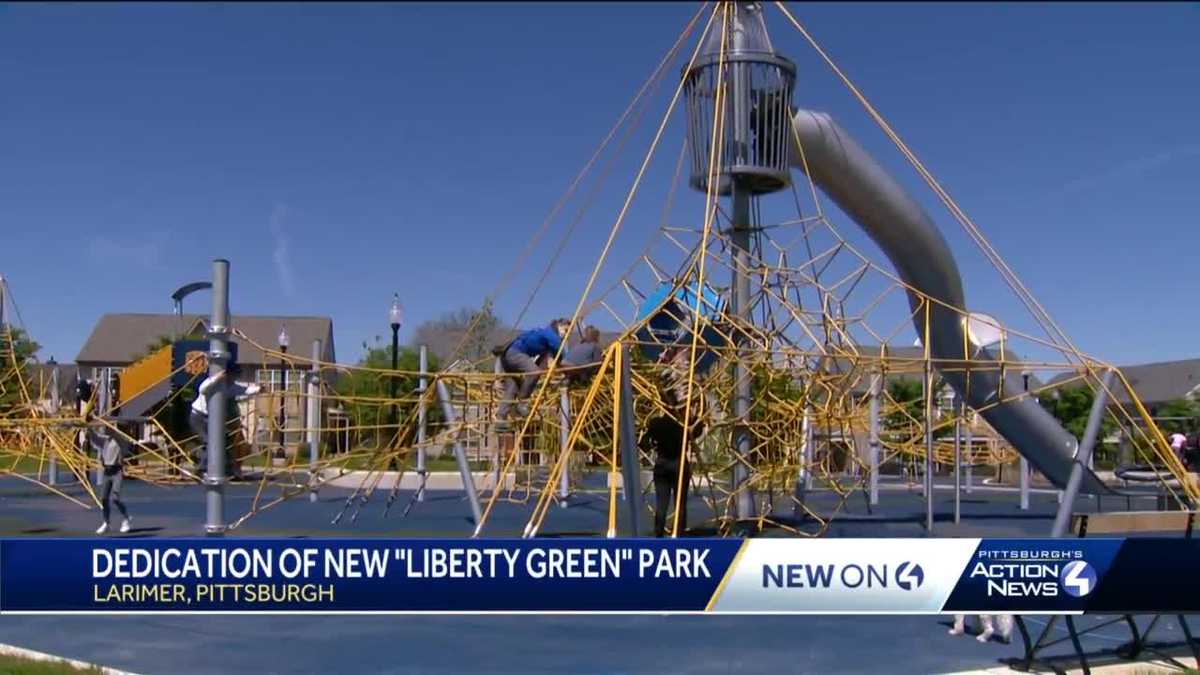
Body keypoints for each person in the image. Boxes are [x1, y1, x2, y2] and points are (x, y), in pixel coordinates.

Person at [643, 390, 705, 538]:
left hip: (662, 464)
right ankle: (678, 531)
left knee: (661, 502)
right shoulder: (683, 424)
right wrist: (698, 416)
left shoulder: (656, 423)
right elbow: (697, 431)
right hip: (679, 464)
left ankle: (659, 531)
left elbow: (644, 442)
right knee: (680, 502)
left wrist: (654, 444)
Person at [495, 318, 569, 426]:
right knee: (534, 372)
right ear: (559, 326)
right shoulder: (551, 335)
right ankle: (522, 402)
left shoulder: (544, 334)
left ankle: (501, 418)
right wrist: (571, 367)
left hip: (507, 356)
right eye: (566, 330)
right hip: (515, 353)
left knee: (513, 387)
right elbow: (562, 354)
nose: (566, 334)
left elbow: (545, 360)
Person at [190, 363, 261, 475]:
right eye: (234, 375)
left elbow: (246, 390)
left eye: (237, 376)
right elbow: (203, 389)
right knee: (211, 442)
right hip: (199, 416)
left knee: (225, 441)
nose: (235, 378)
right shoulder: (213, 383)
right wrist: (217, 378)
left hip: (212, 419)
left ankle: (228, 468)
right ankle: (201, 469)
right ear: (227, 374)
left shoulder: (231, 387)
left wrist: (260, 389)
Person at [87, 419, 132, 535]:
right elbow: (95, 438)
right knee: (104, 499)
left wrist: (109, 425)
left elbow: (121, 440)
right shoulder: (105, 441)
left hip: (117, 471)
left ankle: (126, 519)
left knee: (115, 498)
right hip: (107, 473)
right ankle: (106, 522)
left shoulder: (120, 440)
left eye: (108, 428)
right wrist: (88, 428)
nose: (106, 429)